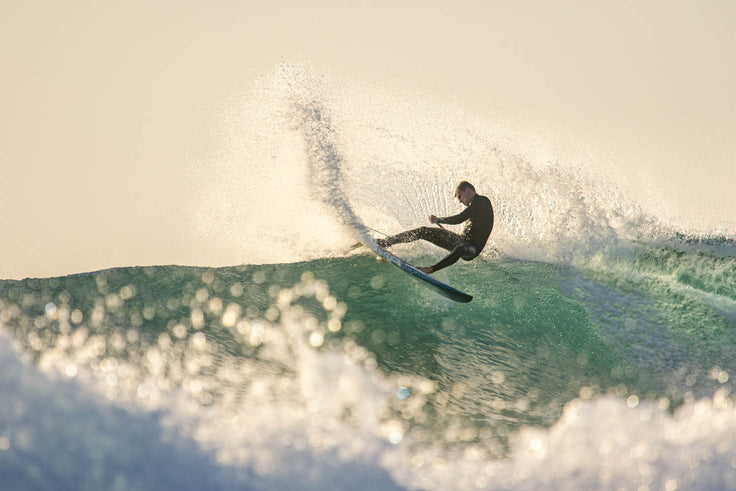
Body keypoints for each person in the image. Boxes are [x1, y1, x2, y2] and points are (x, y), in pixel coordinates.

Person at [376, 181, 494, 274]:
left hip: (471, 248)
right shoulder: (475, 206)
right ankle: (386, 242)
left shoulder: (482, 201)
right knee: (424, 231)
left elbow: (459, 218)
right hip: (461, 240)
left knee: (460, 248)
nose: (461, 201)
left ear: (468, 190)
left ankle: (431, 269)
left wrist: (439, 220)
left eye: (461, 197)